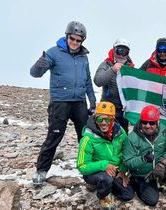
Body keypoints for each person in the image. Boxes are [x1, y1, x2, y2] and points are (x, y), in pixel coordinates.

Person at [30, 21, 96, 186]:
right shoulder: (53, 53)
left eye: (78, 40)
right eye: (72, 38)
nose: (74, 42)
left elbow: (87, 80)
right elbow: (34, 74)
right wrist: (40, 64)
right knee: (54, 136)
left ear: (82, 41)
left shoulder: (83, 57)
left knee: (86, 136)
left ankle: (90, 169)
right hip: (60, 102)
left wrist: (92, 100)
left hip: (79, 102)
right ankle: (41, 171)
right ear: (67, 36)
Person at [77, 102, 133, 209]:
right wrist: (104, 165)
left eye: (107, 119)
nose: (103, 123)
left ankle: (108, 186)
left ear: (113, 119)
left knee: (127, 195)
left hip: (115, 170)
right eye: (99, 119)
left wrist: (122, 170)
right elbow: (81, 165)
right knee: (106, 179)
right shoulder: (87, 139)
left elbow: (126, 152)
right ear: (94, 118)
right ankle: (102, 196)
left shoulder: (120, 132)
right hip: (96, 171)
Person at [123, 105, 166, 206]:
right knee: (152, 201)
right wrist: (143, 159)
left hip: (159, 169)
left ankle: (164, 180)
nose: (147, 125)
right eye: (144, 122)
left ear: (157, 123)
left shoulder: (163, 131)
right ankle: (137, 183)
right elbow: (127, 162)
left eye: (152, 123)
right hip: (143, 174)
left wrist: (162, 163)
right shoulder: (132, 138)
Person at [94, 38, 134, 134]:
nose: (121, 54)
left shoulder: (131, 69)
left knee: (122, 136)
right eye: (119, 50)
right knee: (104, 134)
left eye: (124, 52)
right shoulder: (106, 64)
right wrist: (112, 70)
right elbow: (98, 81)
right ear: (114, 50)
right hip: (106, 108)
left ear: (128, 53)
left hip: (123, 110)